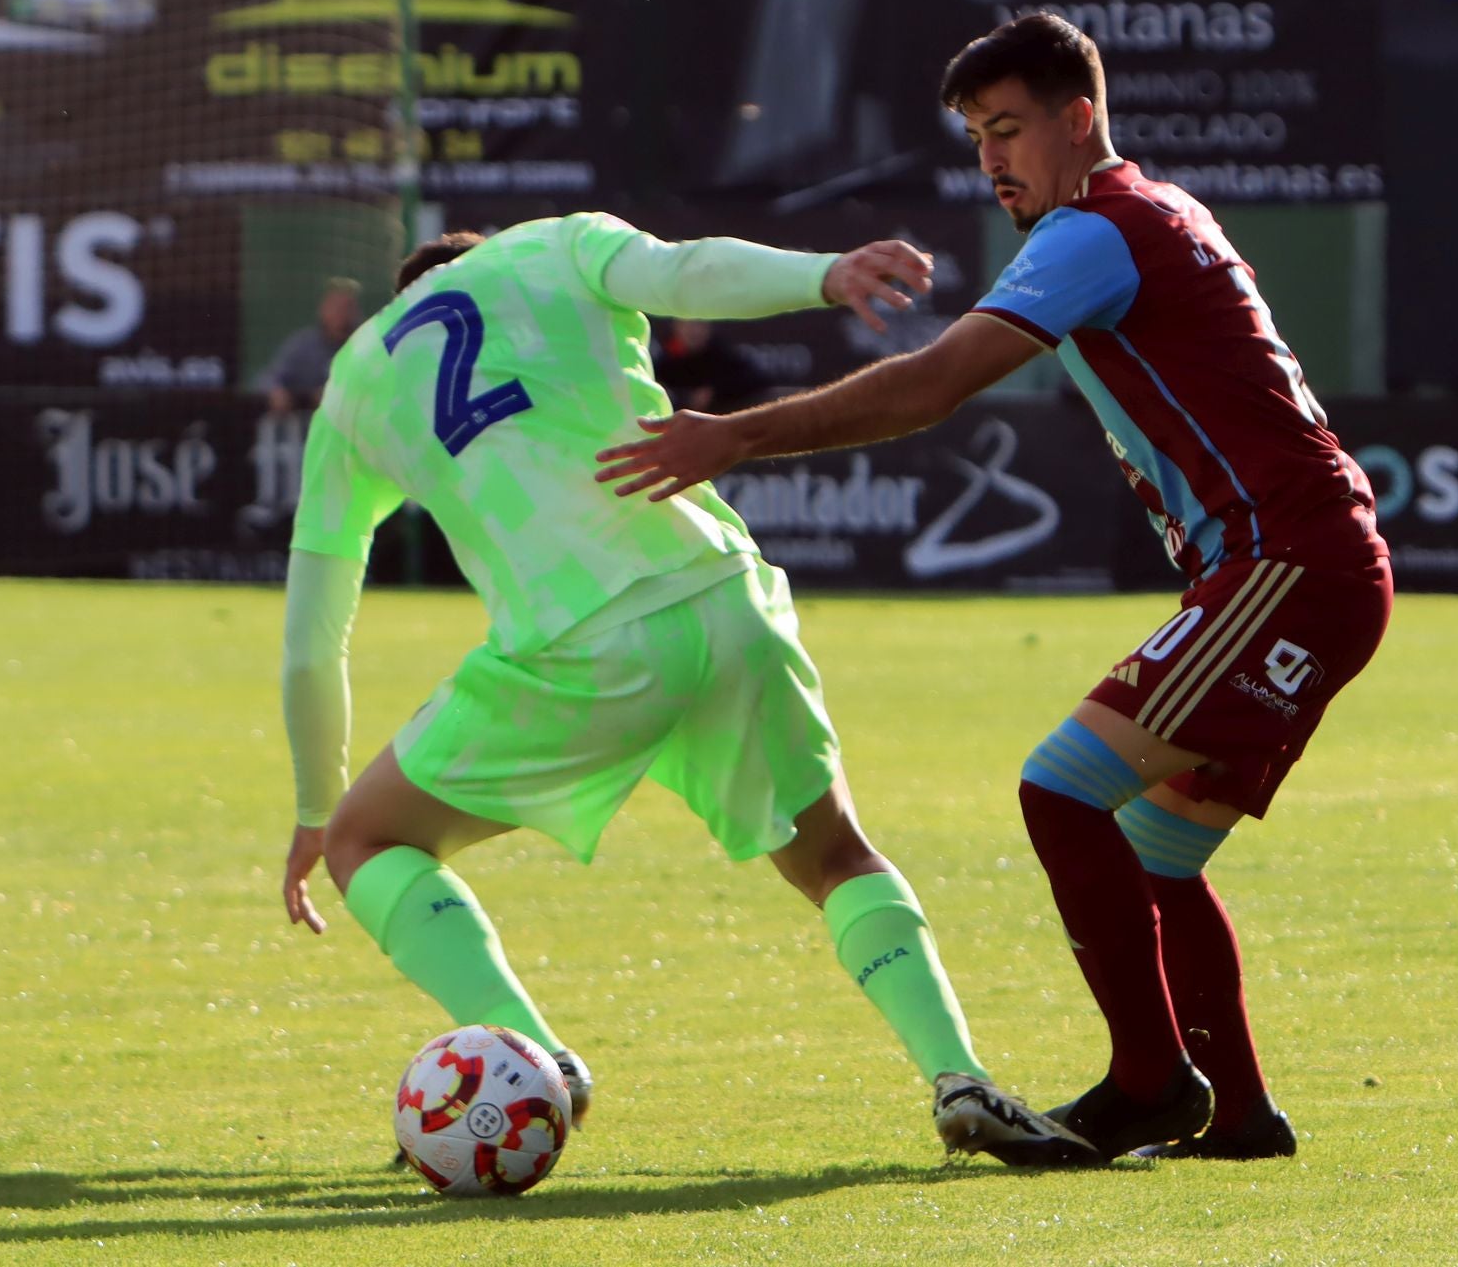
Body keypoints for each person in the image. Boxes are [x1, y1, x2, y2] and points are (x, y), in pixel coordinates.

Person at [595, 13, 1393, 1162]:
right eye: (977, 136)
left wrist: (731, 437)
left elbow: (932, 386)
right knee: (1156, 853)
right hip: (1300, 566)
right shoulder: (1160, 211)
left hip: (1285, 564)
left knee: (1062, 790)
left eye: (1008, 130)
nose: (991, 160)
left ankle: (1152, 1082)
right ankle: (1241, 1115)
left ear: (1080, 120)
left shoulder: (1095, 229)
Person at [278, 214, 1098, 1168]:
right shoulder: (550, 247)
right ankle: (961, 1077)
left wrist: (309, 806)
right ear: (481, 255)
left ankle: (536, 1061)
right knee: (835, 855)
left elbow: (310, 641)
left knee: (364, 835)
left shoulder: (357, 383)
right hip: (722, 600)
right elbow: (689, 271)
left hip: (576, 648)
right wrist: (828, 272)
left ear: (404, 293)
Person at [260, 277, 361, 415]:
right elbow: (269, 377)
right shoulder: (303, 344)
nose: (341, 314)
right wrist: (276, 392)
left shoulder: (363, 345)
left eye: (347, 307)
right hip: (306, 426)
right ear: (322, 309)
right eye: (335, 307)